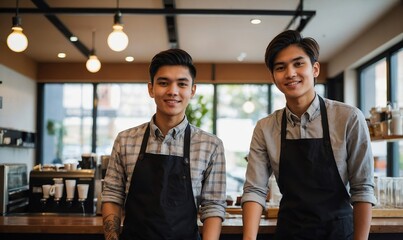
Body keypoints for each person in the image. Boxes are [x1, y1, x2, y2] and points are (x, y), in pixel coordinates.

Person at [241, 30, 376, 240]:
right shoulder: (265, 128)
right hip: (290, 233)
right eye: (280, 67)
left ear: (314, 68)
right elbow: (255, 190)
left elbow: (362, 189)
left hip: (339, 233)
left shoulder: (348, 118)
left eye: (298, 64)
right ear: (273, 77)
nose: (290, 73)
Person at [102, 48, 226, 240]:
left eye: (182, 84)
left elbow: (213, 207)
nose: (173, 91)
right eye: (163, 83)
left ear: (192, 90)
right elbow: (112, 195)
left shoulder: (210, 145)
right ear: (151, 89)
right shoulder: (125, 140)